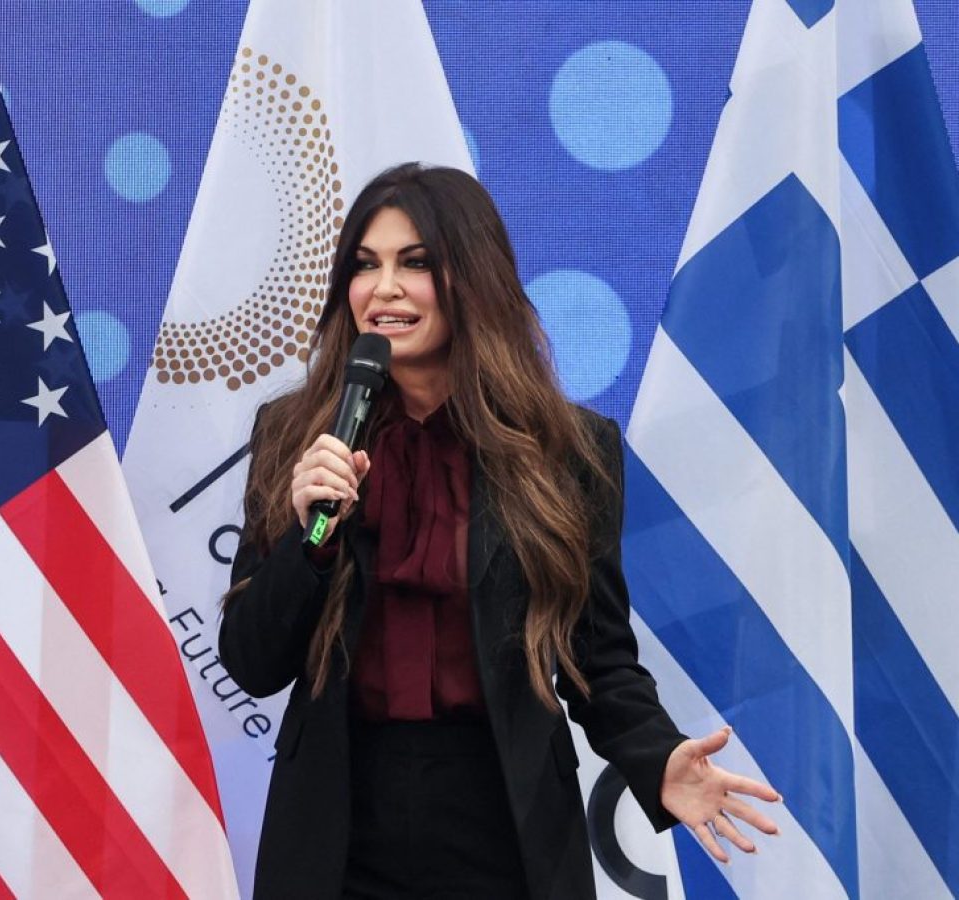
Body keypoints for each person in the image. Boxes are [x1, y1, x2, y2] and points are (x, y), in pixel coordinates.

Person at [219, 163, 780, 900]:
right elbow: (252, 662)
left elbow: (598, 659)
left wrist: (656, 758)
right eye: (364, 265)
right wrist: (309, 541)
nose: (384, 289)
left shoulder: (568, 450)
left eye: (415, 263)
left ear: (474, 277)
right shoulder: (294, 434)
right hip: (337, 830)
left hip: (505, 828)